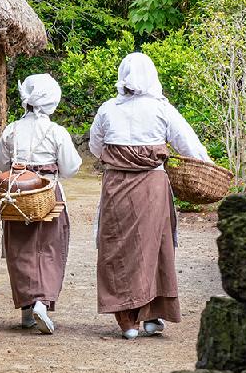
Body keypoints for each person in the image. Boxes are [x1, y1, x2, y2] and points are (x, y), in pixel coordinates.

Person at [89, 53, 212, 340]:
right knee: (154, 247)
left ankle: (127, 321)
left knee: (117, 248)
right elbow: (189, 145)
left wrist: (122, 158)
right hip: (151, 187)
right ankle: (153, 315)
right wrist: (210, 167)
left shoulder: (108, 109)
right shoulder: (162, 109)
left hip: (116, 186)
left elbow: (96, 147)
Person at [0, 74, 82, 334]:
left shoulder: (11, 130)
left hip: (16, 196)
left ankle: (26, 310)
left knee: (20, 249)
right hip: (46, 195)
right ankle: (42, 302)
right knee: (49, 248)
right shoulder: (56, 132)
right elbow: (70, 168)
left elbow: (0, 163)